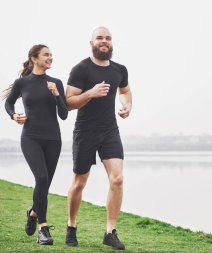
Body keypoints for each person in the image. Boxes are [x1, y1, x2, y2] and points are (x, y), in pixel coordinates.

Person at [65, 27, 132, 250]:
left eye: (108, 38)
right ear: (92, 42)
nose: (104, 41)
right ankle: (71, 226)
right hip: (85, 131)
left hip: (110, 131)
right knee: (79, 183)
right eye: (100, 38)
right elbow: (68, 102)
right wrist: (90, 94)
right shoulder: (81, 69)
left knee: (118, 179)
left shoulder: (119, 69)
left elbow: (125, 91)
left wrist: (127, 105)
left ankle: (110, 232)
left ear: (112, 43)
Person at [3, 44, 68, 245]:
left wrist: (57, 94)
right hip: (30, 137)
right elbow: (8, 103)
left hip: (53, 139)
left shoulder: (56, 82)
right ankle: (43, 229)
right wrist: (14, 115)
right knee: (41, 177)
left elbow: (64, 115)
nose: (50, 58)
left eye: (51, 55)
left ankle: (32, 213)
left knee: (44, 184)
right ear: (34, 58)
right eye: (46, 55)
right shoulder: (22, 83)